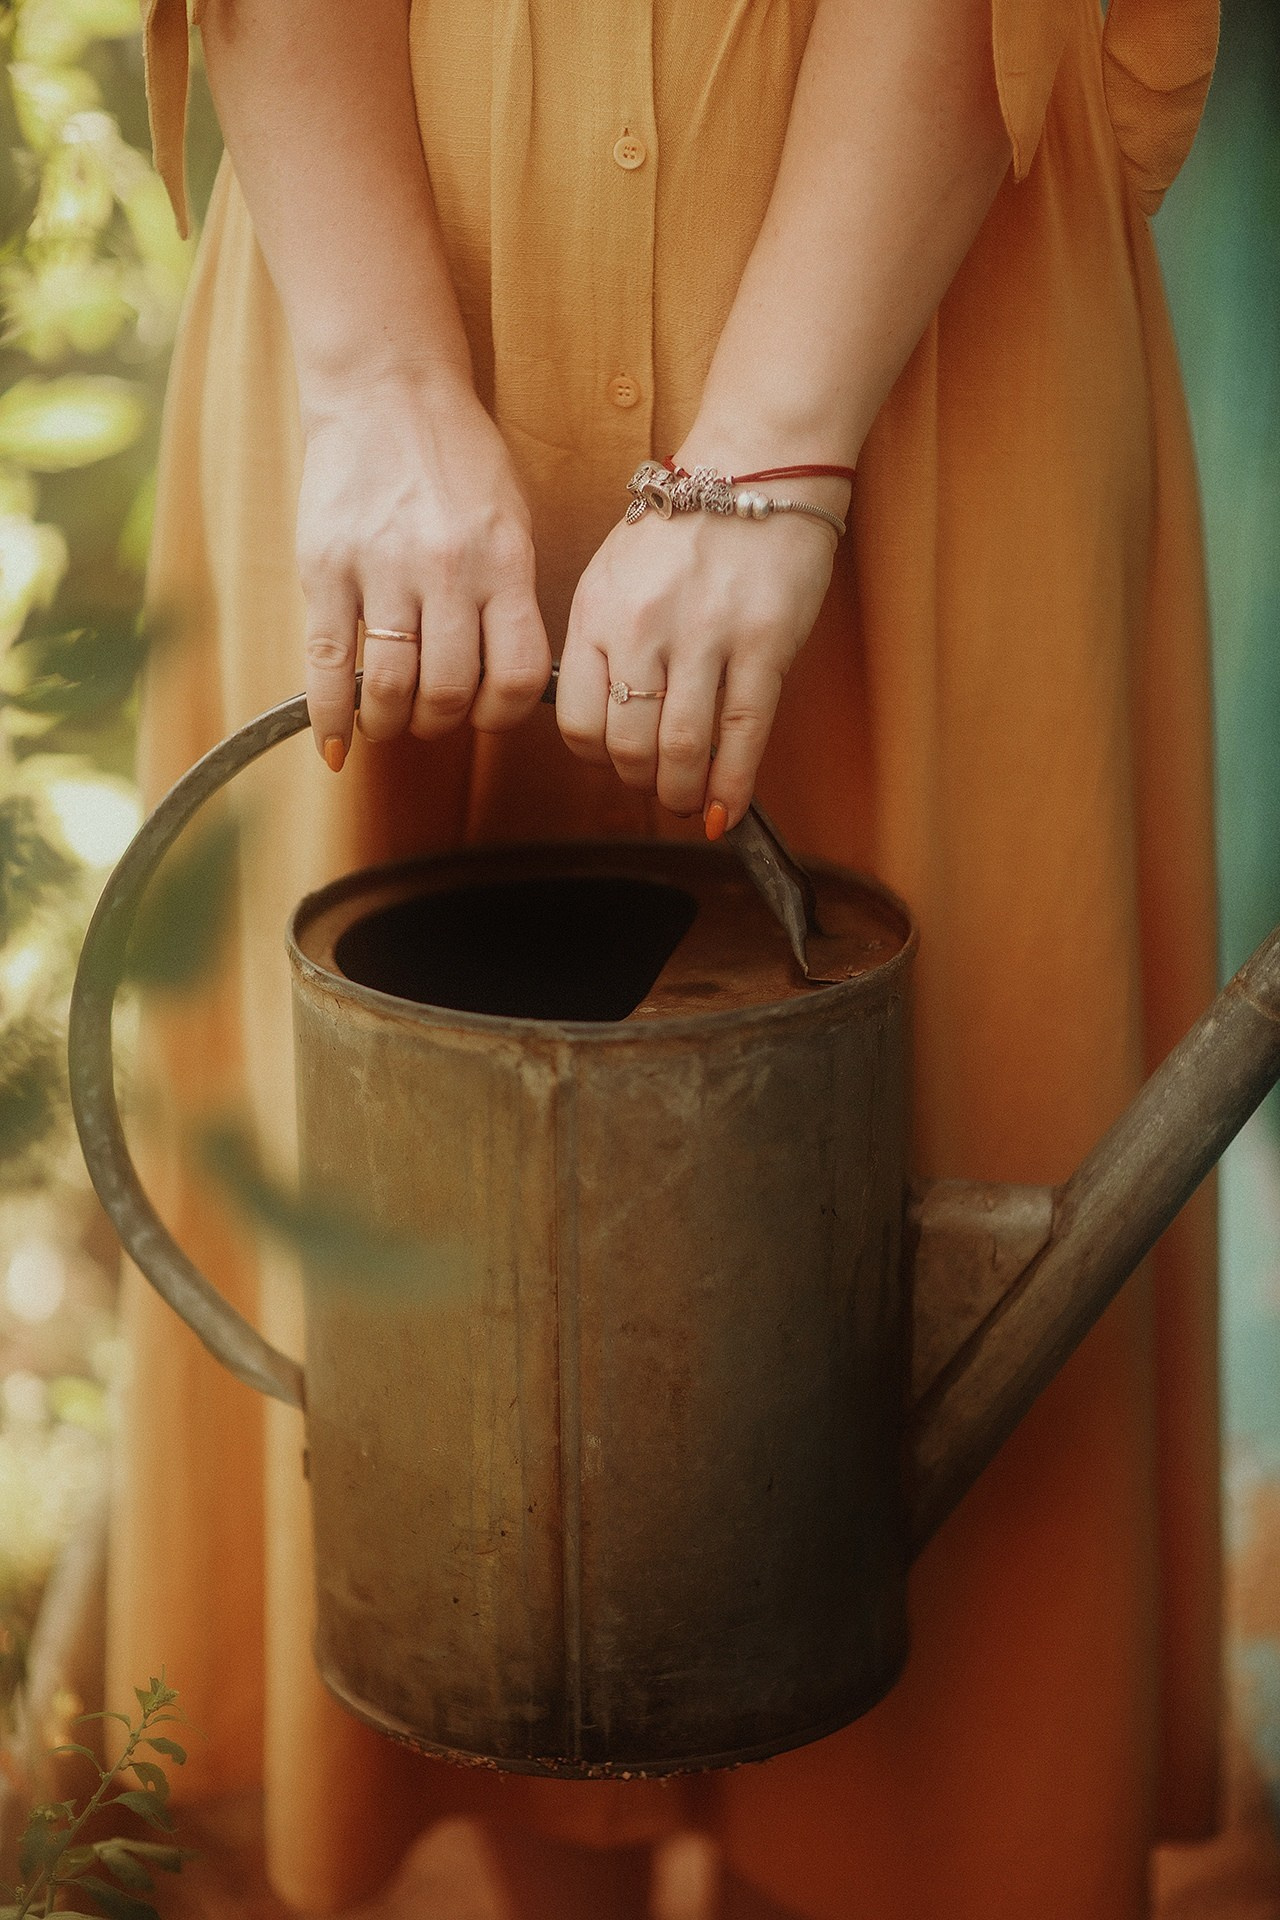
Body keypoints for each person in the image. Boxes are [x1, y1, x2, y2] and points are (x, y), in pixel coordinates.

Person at [115, 0, 1222, 1914]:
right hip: (382, 249)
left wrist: (777, 453)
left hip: (920, 278)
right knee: (447, 1382)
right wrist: (378, 379)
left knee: (953, 1319)